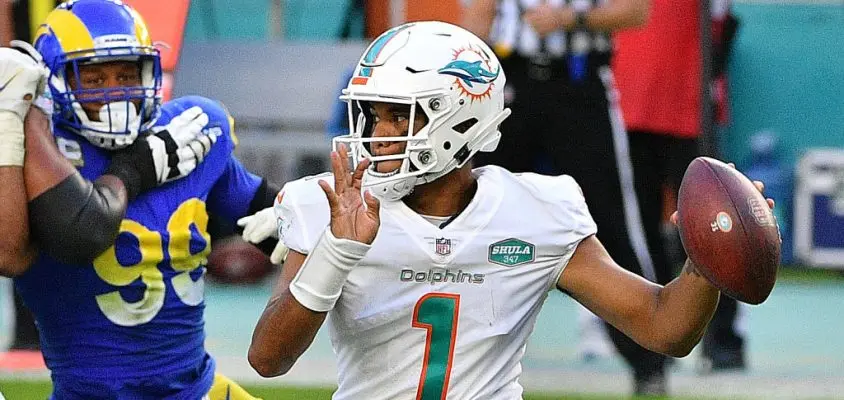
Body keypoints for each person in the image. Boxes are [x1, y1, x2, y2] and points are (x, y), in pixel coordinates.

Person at [242, 21, 775, 399]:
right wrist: (336, 253)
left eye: (396, 118)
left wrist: (704, 263)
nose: (376, 136)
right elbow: (268, 360)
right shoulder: (335, 206)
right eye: (371, 116)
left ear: (458, 121)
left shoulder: (536, 210)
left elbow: (664, 328)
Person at [1, 0, 284, 398]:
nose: (115, 93)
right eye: (94, 79)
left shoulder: (192, 129)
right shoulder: (40, 158)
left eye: (126, 74)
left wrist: (310, 212)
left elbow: (268, 217)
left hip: (197, 389)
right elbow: (46, 241)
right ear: (54, 83)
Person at [461, 0, 673, 394]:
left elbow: (635, 12)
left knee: (610, 221)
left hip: (578, 84)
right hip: (509, 80)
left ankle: (647, 357)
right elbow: (479, 14)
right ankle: (453, 340)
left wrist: (569, 18)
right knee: (471, 205)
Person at [611, 0, 746, 371]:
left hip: (689, 99)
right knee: (640, 230)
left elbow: (724, 22)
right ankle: (653, 338)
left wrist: (714, 76)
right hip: (631, 98)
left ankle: (722, 338)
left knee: (716, 219)